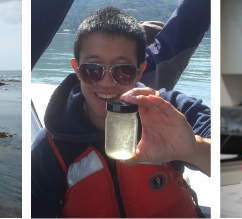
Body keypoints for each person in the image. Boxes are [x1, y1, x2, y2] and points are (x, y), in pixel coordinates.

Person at [31, 7, 213, 218]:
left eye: (123, 70)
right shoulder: (50, 149)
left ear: (140, 70)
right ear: (77, 70)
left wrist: (193, 149)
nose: (107, 83)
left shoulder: (172, 113)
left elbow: (241, 158)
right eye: (92, 69)